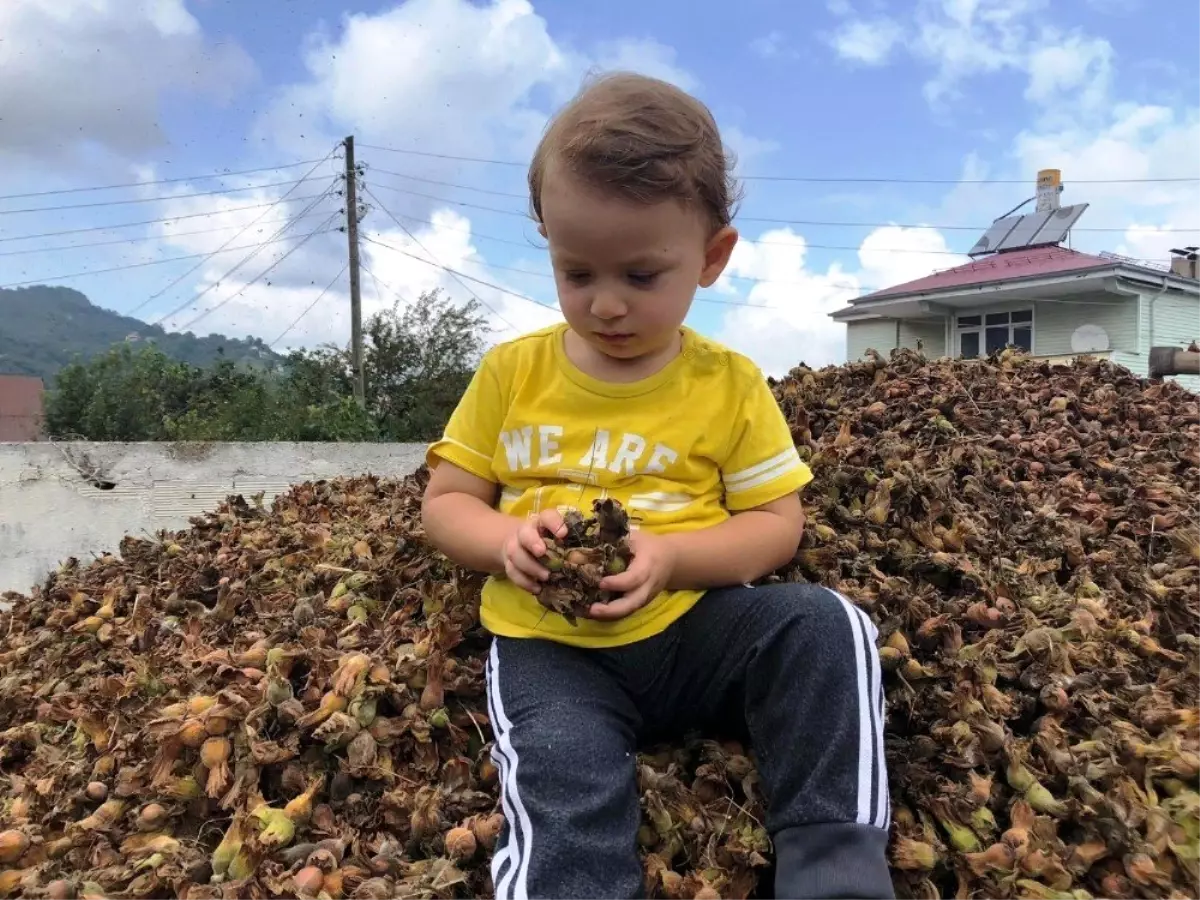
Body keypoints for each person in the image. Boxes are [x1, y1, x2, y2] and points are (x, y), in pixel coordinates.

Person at [420, 71, 893, 900]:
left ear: (712, 259)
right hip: (552, 648)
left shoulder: (731, 384)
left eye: (640, 276)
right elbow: (447, 503)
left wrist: (670, 559)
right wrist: (505, 543)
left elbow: (777, 526)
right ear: (548, 244)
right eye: (577, 274)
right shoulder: (510, 373)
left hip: (696, 629)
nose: (605, 305)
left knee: (826, 626)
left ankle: (835, 866)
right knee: (559, 767)